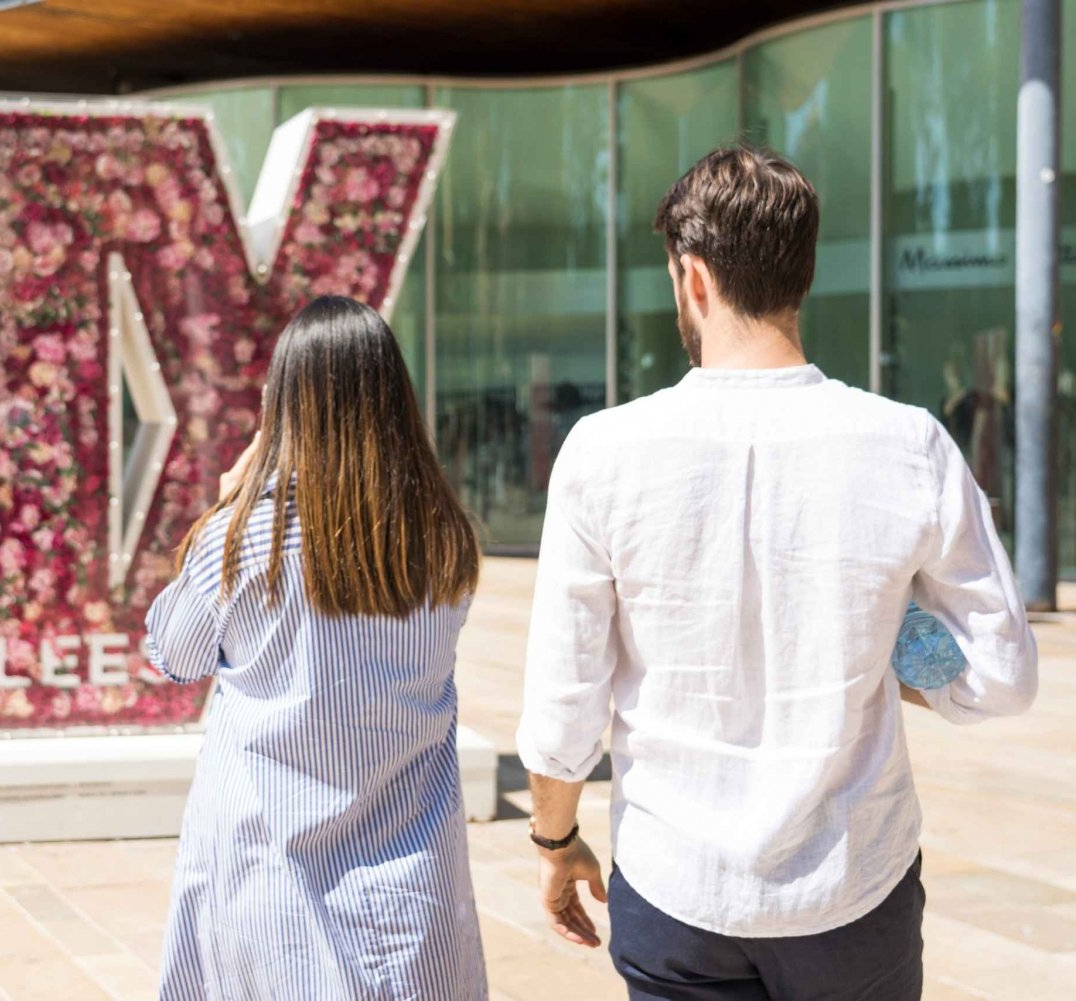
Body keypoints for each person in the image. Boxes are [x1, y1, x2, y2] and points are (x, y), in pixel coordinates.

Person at [517, 145, 1038, 1000]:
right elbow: (1000, 676)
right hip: (850, 883)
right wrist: (884, 633)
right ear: (801, 276)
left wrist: (554, 840)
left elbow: (564, 702)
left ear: (692, 280)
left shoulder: (602, 452)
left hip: (675, 879)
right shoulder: (909, 444)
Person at [145, 295, 488, 1000]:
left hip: (262, 880)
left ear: (284, 406)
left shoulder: (241, 543)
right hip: (407, 888)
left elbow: (174, 655)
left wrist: (228, 500)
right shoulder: (444, 538)